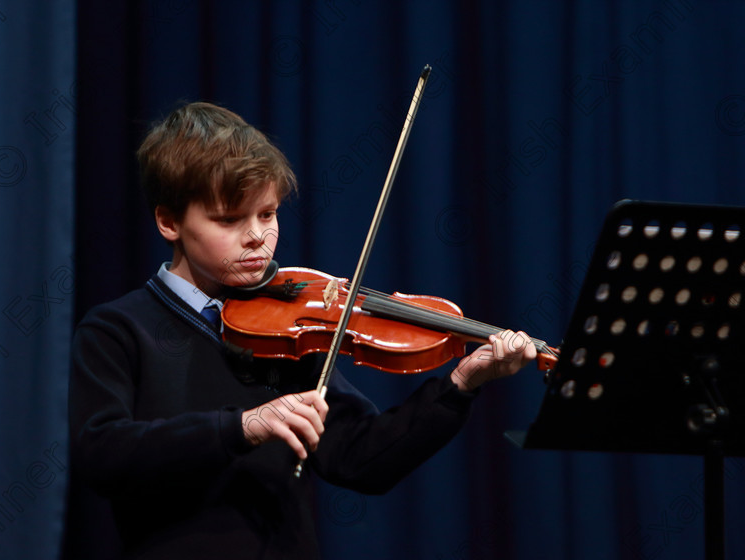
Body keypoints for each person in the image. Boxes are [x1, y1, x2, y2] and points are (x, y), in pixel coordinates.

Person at [69, 101, 536, 559]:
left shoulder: (288, 328)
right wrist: (243, 426)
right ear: (169, 221)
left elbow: (358, 459)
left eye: (267, 214)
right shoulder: (117, 329)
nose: (257, 237)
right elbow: (104, 454)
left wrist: (459, 386)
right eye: (229, 219)